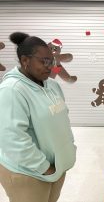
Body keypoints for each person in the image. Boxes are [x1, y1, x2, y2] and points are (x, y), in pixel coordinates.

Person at [0, 32, 76, 202]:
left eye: (52, 61)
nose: (50, 67)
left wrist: (69, 150)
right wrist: (44, 168)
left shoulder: (52, 86)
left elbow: (63, 118)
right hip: (28, 174)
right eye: (44, 61)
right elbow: (12, 139)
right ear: (25, 61)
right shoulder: (12, 90)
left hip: (55, 169)